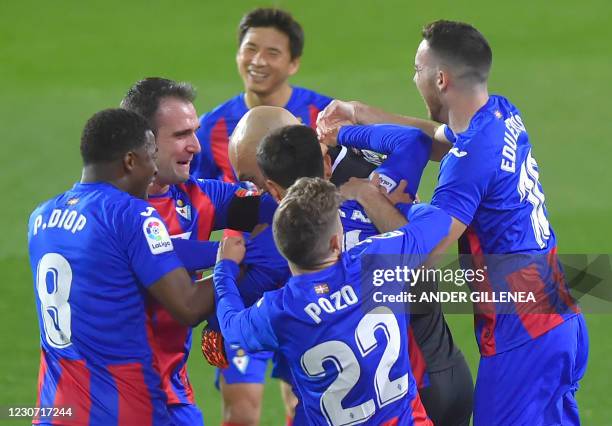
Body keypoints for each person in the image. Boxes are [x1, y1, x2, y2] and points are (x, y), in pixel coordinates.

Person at [318, 19, 588, 425]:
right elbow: (435, 136)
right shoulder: (500, 113)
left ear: (440, 78)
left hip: (523, 337)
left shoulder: (467, 164)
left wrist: (367, 195)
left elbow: (423, 259)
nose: (414, 79)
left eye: (417, 70)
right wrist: (356, 117)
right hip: (559, 320)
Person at [257, 119, 474, 425]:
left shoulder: (282, 246)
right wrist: (347, 129)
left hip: (391, 401)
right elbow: (413, 140)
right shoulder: (381, 191)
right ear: (328, 164)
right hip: (445, 371)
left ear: (272, 190)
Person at [28, 109, 215, 425]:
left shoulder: (41, 217)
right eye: (151, 157)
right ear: (130, 161)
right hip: (125, 410)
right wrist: (236, 264)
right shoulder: (132, 214)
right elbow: (188, 306)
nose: (155, 169)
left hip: (54, 409)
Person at [213, 176, 451, 425]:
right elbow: (438, 219)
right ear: (336, 242)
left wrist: (225, 268)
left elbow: (231, 327)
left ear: (283, 248)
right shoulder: (378, 260)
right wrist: (391, 204)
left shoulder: (279, 312)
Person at [120, 77, 274, 425]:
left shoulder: (197, 196)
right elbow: (163, 256)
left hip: (172, 393)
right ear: (141, 142)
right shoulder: (112, 211)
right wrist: (234, 259)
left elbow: (283, 214)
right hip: (118, 399)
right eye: (180, 136)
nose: (196, 147)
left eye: (195, 132)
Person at [190, 8, 332, 183]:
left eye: (272, 53)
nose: (258, 61)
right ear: (238, 54)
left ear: (293, 64)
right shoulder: (209, 128)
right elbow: (199, 196)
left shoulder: (325, 116)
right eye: (251, 49)